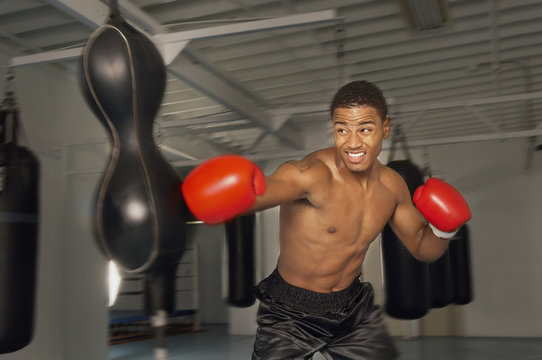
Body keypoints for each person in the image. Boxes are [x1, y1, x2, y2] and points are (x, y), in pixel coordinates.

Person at [181, 80, 472, 360]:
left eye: (365, 129)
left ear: (385, 128)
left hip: (352, 305)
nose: (353, 142)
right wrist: (235, 195)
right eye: (342, 129)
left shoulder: (393, 186)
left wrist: (444, 228)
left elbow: (424, 248)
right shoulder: (310, 174)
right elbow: (266, 191)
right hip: (290, 312)